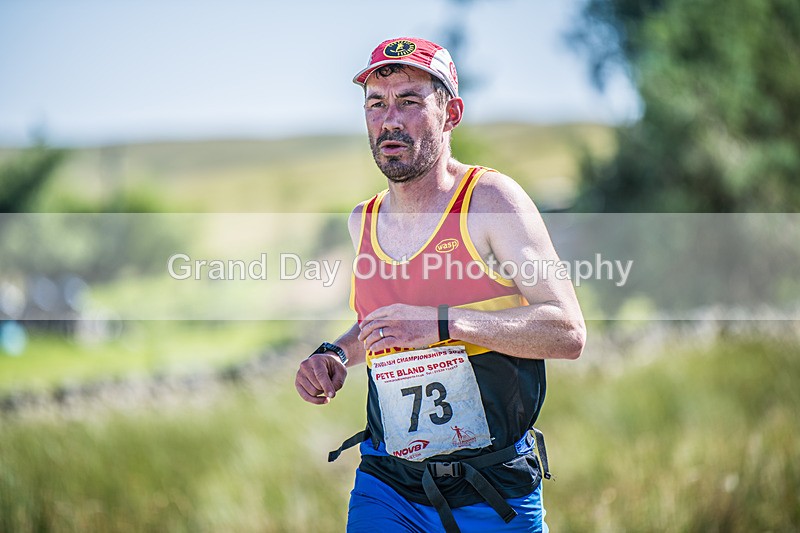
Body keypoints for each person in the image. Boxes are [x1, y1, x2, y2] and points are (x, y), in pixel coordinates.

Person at [295, 37, 586, 533]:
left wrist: (444, 325)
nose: (390, 119)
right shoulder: (361, 221)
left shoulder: (491, 201)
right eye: (376, 104)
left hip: (492, 491)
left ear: (451, 113)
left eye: (410, 101)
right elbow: (380, 325)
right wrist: (336, 354)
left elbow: (566, 332)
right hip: (387, 484)